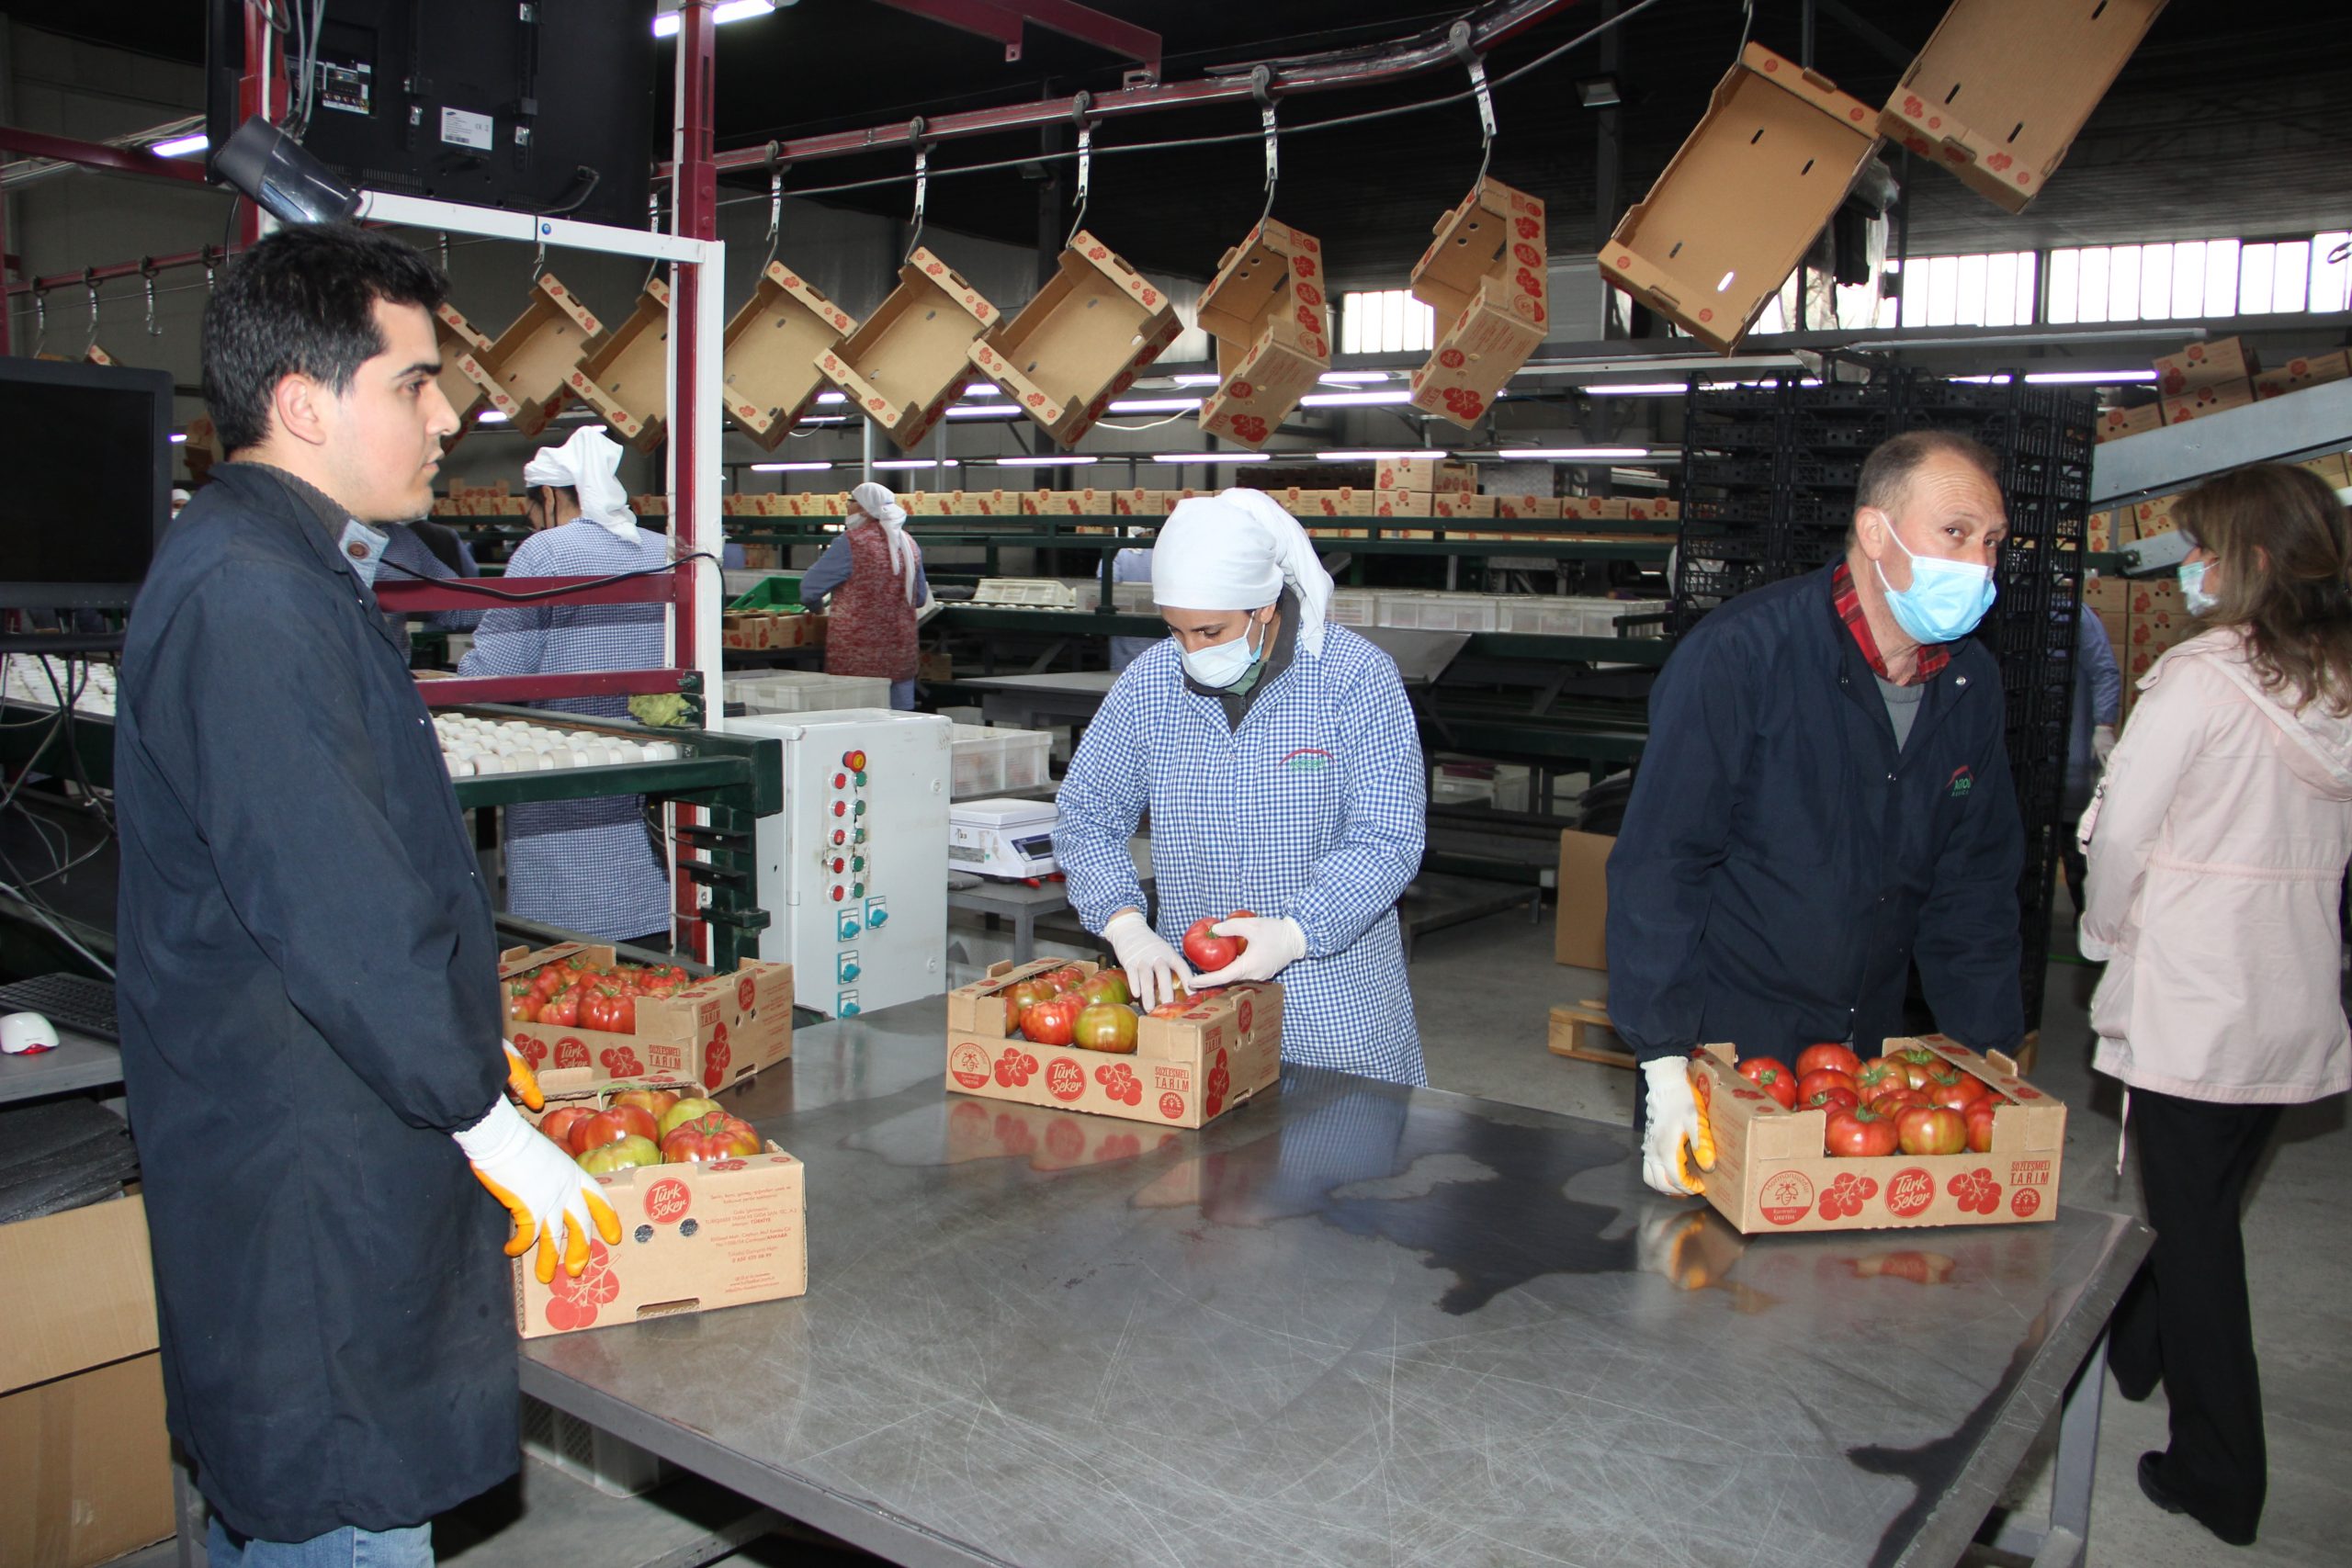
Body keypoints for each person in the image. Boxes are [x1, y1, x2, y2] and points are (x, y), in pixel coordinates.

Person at [114, 223, 613, 1568]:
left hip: (311, 1133)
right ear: (302, 401)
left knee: (293, 1507)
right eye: (414, 382)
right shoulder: (253, 600)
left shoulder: (280, 568)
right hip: (311, 1176)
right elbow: (336, 904)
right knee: (337, 1506)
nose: (450, 415)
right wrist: (477, 1107)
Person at [1608, 430, 2026, 1196]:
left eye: (1994, 542)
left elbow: (1975, 890)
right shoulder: (1742, 657)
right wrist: (1663, 1060)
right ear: (1876, 531)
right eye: (1956, 534)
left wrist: (1986, 1061)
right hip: (1732, 1055)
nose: (1980, 565)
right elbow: (1662, 862)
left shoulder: (1970, 686)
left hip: (1871, 1069)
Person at [2077, 462, 2352, 1549]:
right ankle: (2133, 1351)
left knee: (2195, 1241)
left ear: (2254, 559)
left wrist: (2102, 936)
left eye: (2200, 546)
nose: (2186, 567)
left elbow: (2126, 830)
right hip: (2292, 988)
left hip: (2196, 985)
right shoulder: (2335, 679)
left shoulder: (2197, 677)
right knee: (2207, 1195)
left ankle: (2218, 1473)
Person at [1053, 488, 1429, 1085]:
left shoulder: (1354, 680)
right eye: (1175, 631)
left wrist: (1298, 931)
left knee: (1348, 1163)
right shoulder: (1151, 685)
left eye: (1208, 630)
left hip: (1334, 1014)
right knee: (1207, 1176)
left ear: (1264, 606)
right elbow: (1086, 812)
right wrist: (1124, 923)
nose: (1191, 651)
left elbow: (1387, 837)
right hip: (1199, 1013)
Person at [457, 426, 676, 947]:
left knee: (569, 955)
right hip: (656, 771)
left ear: (551, 496)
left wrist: (446, 684)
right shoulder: (662, 549)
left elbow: (495, 675)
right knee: (648, 948)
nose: (532, 524)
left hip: (566, 780)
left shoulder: (546, 553)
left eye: (532, 511)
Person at [797, 480, 932, 708]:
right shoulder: (908, 543)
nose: (846, 508)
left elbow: (809, 589)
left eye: (849, 502)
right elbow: (919, 598)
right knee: (900, 727)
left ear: (863, 508)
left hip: (856, 659)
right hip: (900, 655)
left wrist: (818, 611)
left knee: (858, 731)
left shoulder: (851, 543)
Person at [2060, 590, 2122, 911]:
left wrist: (2104, 726)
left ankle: (2088, 921)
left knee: (2077, 851)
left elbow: (2104, 671)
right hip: (2027, 765)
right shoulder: (2000, 613)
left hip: (2072, 757)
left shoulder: (2075, 616)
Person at [1107, 542, 1156, 671]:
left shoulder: (1119, 554)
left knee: (1125, 675)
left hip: (1126, 628)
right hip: (1157, 627)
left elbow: (1106, 586)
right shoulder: (1163, 552)